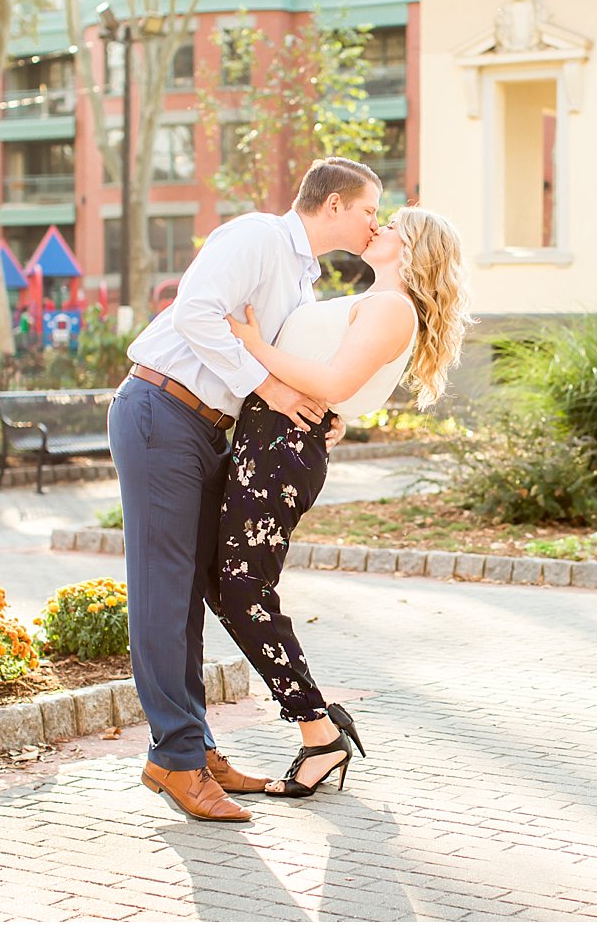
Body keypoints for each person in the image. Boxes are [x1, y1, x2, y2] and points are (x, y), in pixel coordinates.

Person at [109, 157, 380, 823]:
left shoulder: (303, 278)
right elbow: (196, 313)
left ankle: (193, 749)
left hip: (207, 430)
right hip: (161, 411)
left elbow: (283, 364)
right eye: (370, 209)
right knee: (163, 591)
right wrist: (269, 387)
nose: (376, 222)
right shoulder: (258, 237)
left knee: (194, 589)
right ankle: (174, 761)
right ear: (336, 203)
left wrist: (321, 410)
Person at [217, 206, 473, 798]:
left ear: (413, 249)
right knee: (227, 586)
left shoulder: (392, 307)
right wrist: (340, 419)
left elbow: (333, 384)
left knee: (242, 591)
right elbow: (342, 384)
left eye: (393, 225)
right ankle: (318, 727)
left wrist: (252, 344)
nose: (379, 227)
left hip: (281, 451)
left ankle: (318, 733)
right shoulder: (377, 301)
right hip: (273, 442)